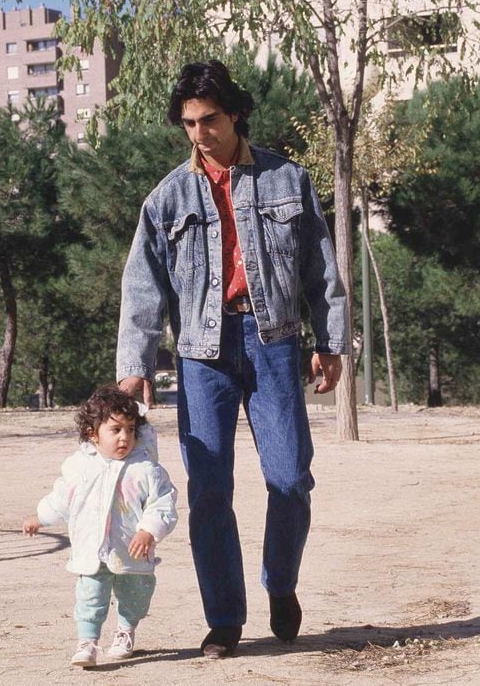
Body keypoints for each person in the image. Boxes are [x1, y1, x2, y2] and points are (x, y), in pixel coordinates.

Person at [116, 60, 348, 658]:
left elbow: (321, 270)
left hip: (273, 343)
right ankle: (224, 619)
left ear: (236, 113)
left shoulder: (287, 180)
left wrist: (331, 342)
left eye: (209, 119)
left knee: (291, 477)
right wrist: (135, 362)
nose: (199, 133)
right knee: (210, 491)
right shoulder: (166, 198)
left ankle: (281, 583)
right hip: (200, 355)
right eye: (189, 123)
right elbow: (142, 287)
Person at [23, 385, 178, 668]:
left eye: (130, 430)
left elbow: (163, 502)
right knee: (90, 596)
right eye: (115, 430)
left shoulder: (145, 469)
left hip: (131, 552)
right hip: (91, 550)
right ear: (93, 434)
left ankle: (125, 630)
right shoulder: (79, 467)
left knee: (136, 596)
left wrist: (148, 530)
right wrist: (40, 517)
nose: (124, 438)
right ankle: (88, 642)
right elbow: (62, 498)